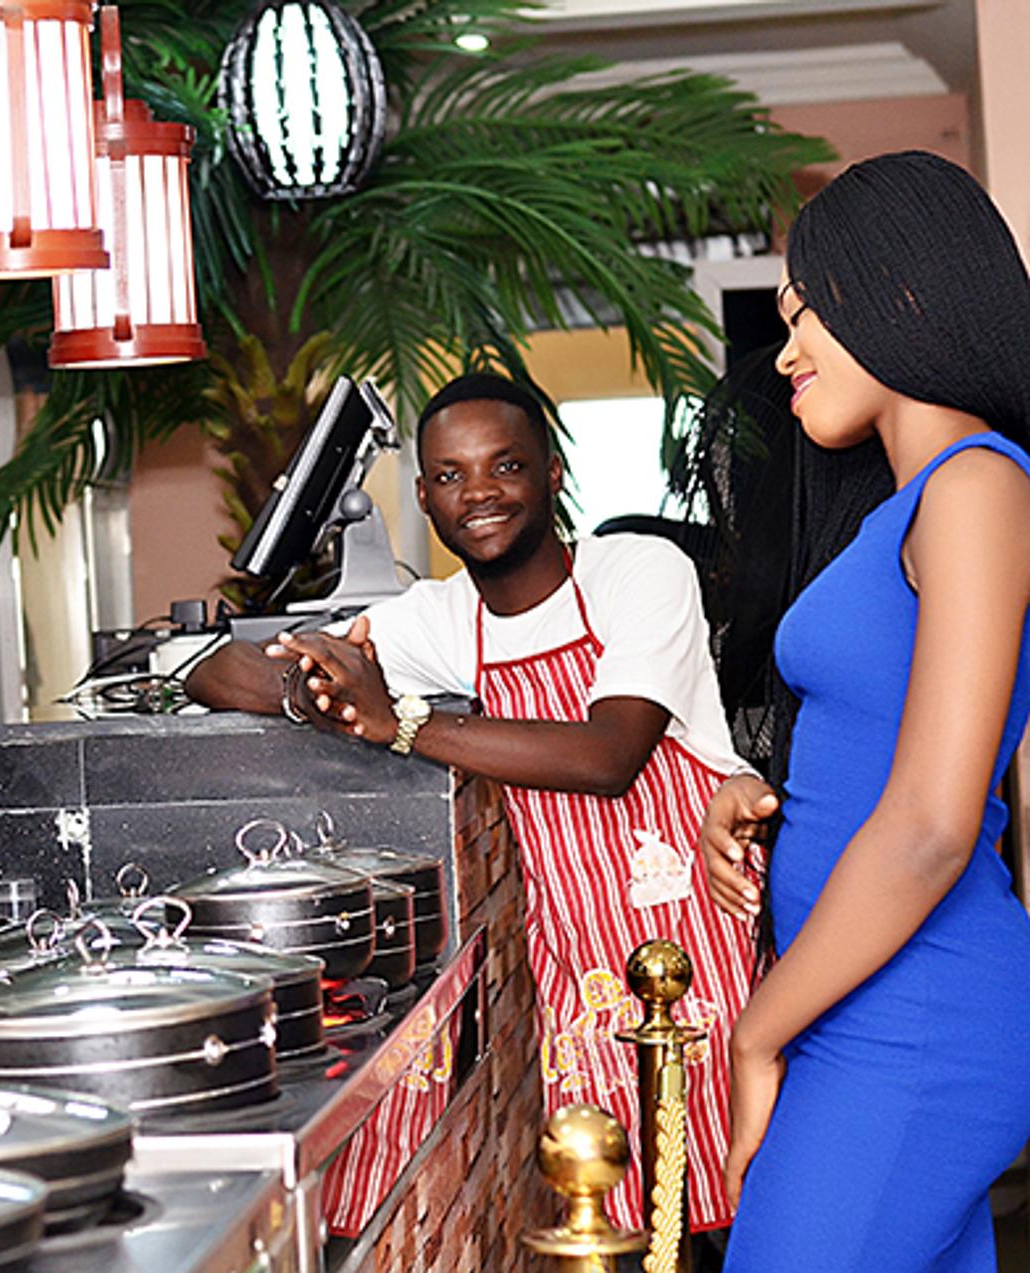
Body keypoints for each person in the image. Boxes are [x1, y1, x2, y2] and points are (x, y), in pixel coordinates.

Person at [186, 372, 756, 1238]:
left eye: (505, 466)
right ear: (422, 495)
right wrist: (320, 693)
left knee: (730, 1218)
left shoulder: (637, 571)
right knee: (615, 1225)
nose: (478, 493)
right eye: (450, 476)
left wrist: (396, 720)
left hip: (693, 952)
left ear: (553, 473)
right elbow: (218, 669)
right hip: (576, 974)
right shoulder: (441, 617)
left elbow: (608, 756)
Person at [697, 151, 1030, 1273]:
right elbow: (881, 743)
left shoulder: (980, 488)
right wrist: (769, 799)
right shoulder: (904, 508)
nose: (785, 351)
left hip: (915, 1023)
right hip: (856, 1004)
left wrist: (757, 1029)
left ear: (901, 298)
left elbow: (936, 824)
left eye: (807, 316)